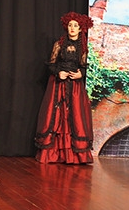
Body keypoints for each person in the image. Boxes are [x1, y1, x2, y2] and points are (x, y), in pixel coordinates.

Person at [34, 11, 94, 164]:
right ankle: (52, 154)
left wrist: (80, 74)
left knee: (75, 117)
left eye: (75, 26)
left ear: (80, 29)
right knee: (55, 115)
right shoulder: (59, 44)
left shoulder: (83, 47)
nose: (72, 28)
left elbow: (83, 66)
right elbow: (51, 64)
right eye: (70, 25)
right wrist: (58, 73)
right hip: (58, 85)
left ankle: (73, 156)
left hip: (74, 87)